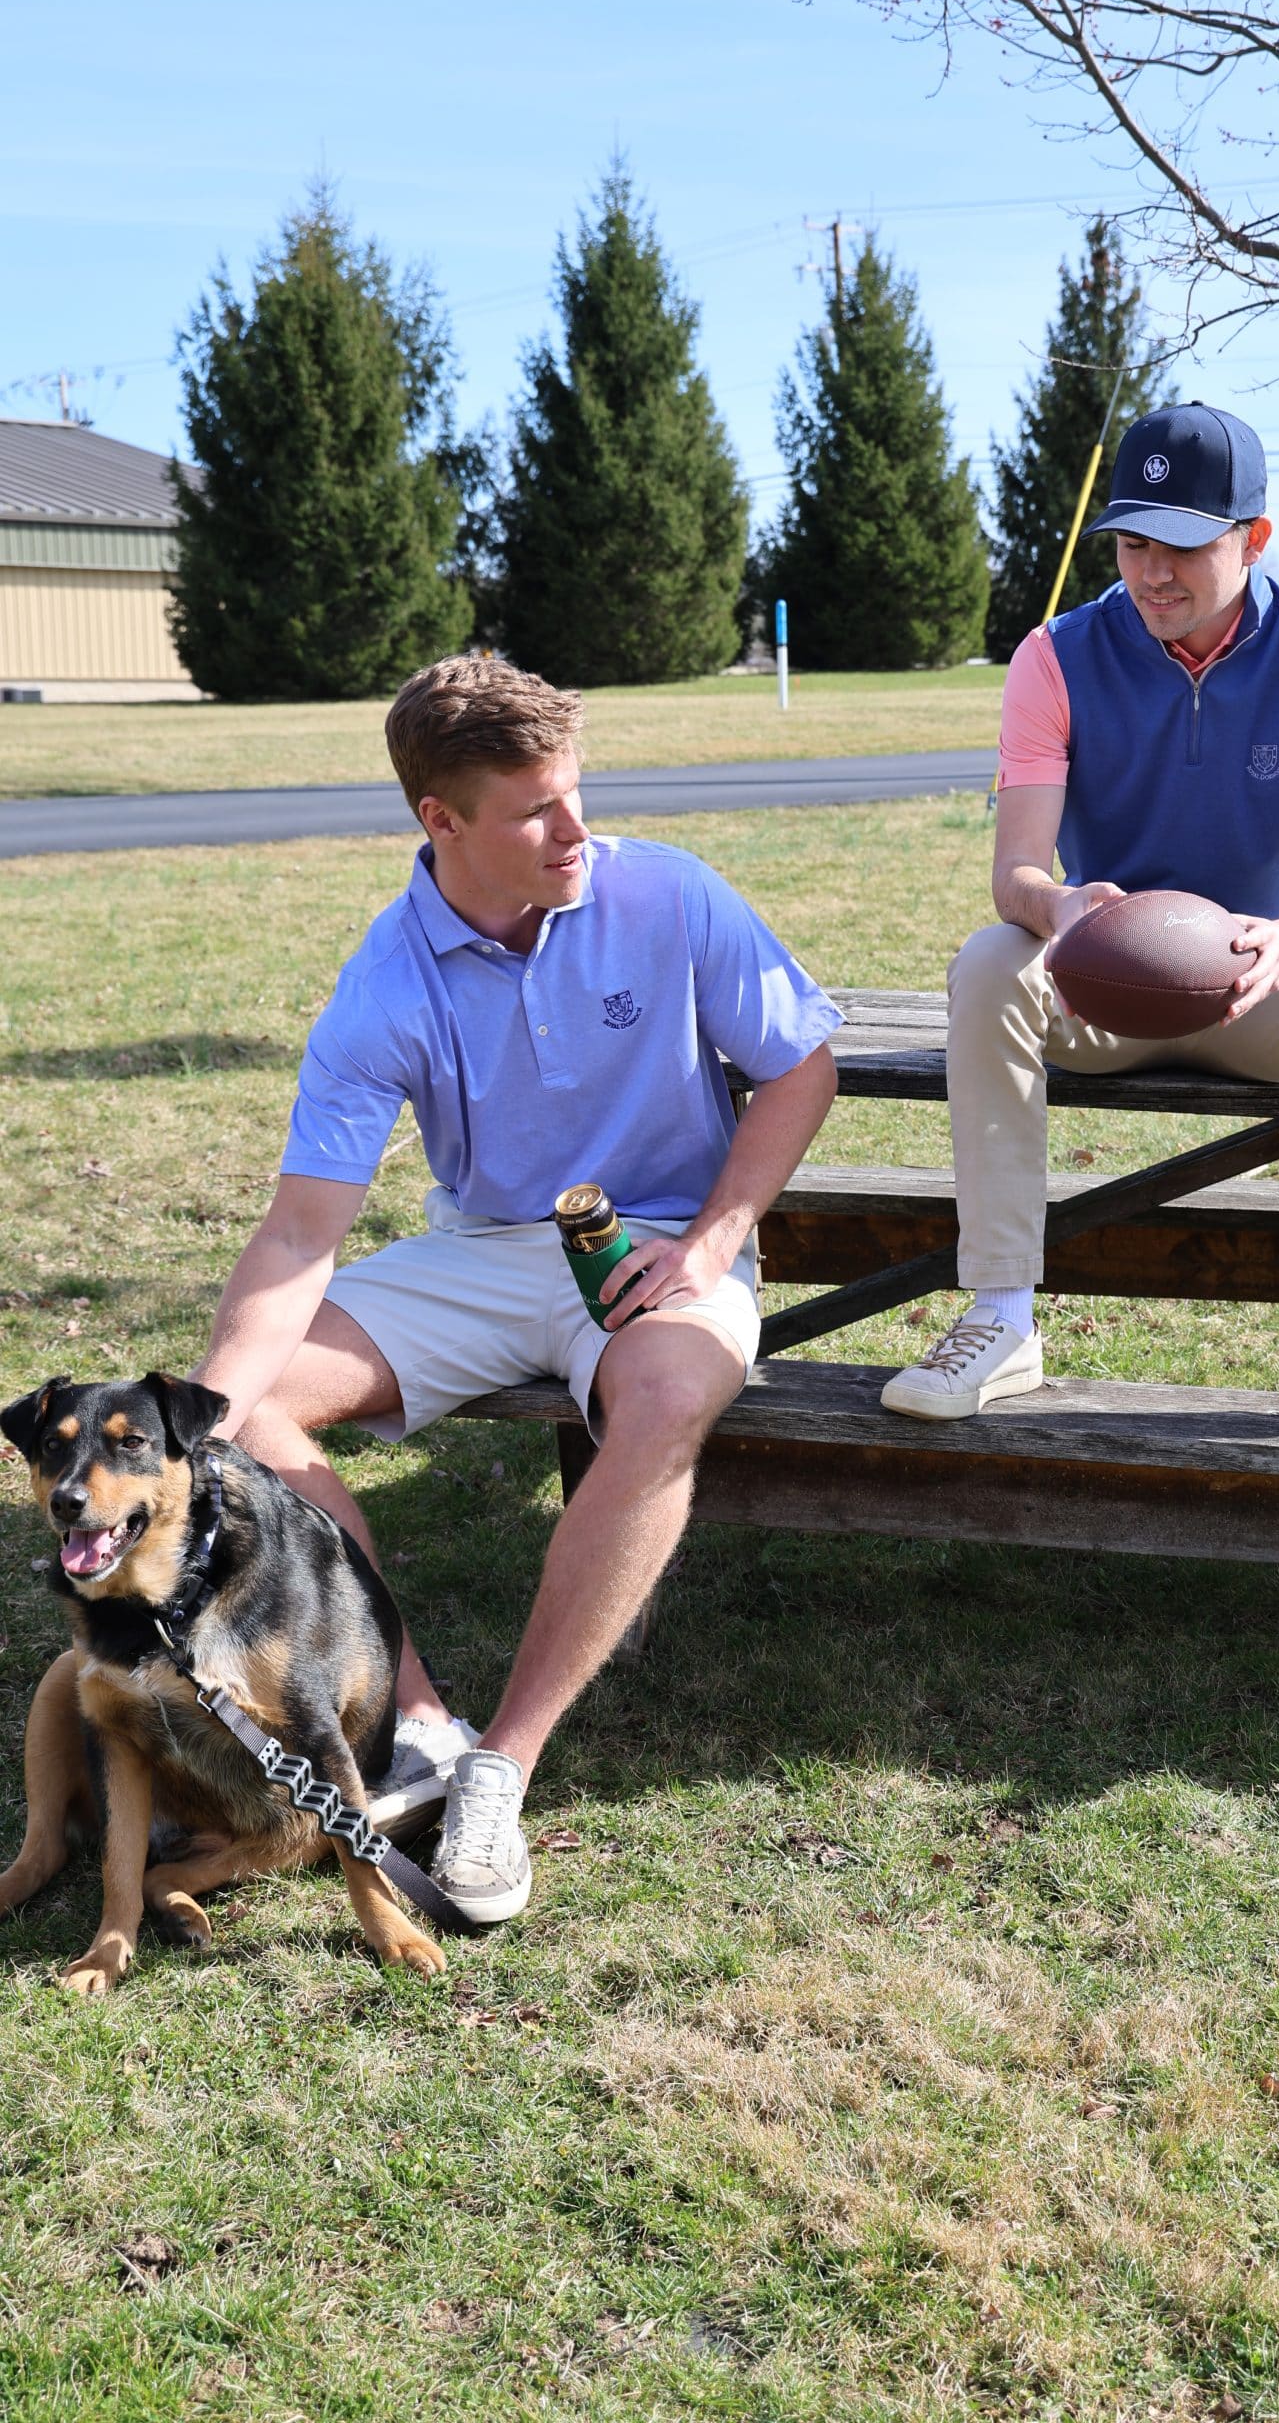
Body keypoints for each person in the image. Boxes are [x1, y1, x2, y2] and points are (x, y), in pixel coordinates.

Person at [197, 655, 841, 1921]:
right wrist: (203, 1409)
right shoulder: (386, 980)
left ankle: (506, 1762)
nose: (576, 828)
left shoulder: (669, 894)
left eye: (576, 790)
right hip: (489, 1245)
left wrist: (712, 1245)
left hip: (664, 1240)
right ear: (441, 822)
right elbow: (298, 1232)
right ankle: (424, 1720)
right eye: (536, 808)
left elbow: (802, 1066)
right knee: (258, 1416)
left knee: (666, 1399)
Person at [882, 400, 1279, 1463]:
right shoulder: (1055, 657)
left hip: (1272, 991)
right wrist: (1060, 907)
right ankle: (999, 1315)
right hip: (1102, 991)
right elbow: (1015, 873)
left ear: (1254, 539)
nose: (1152, 572)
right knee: (991, 961)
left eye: (1183, 547)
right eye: (1132, 544)